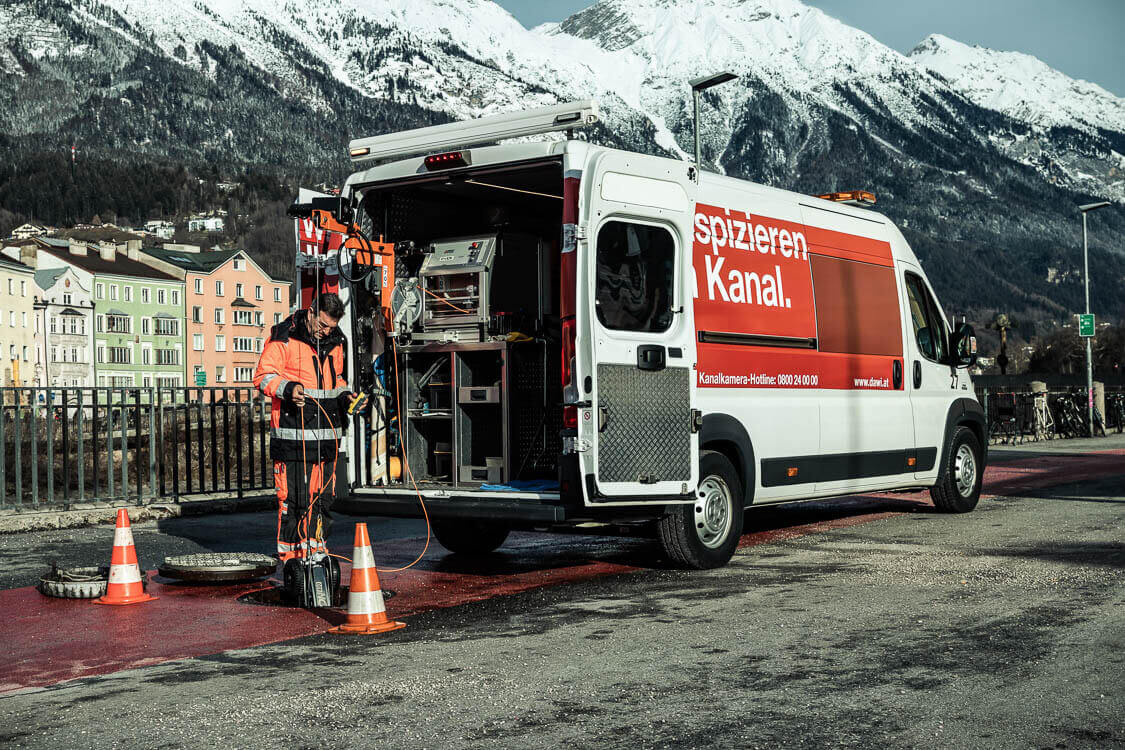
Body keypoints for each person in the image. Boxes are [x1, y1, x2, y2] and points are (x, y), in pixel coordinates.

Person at [254, 293, 353, 561]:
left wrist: (346, 396)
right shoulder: (283, 336)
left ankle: (317, 553)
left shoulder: (336, 342)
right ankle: (291, 561)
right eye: (322, 325)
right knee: (294, 503)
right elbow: (263, 377)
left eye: (330, 328)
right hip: (292, 439)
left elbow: (338, 379)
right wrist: (287, 389)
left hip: (326, 440)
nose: (325, 332)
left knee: (322, 501)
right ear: (310, 313)